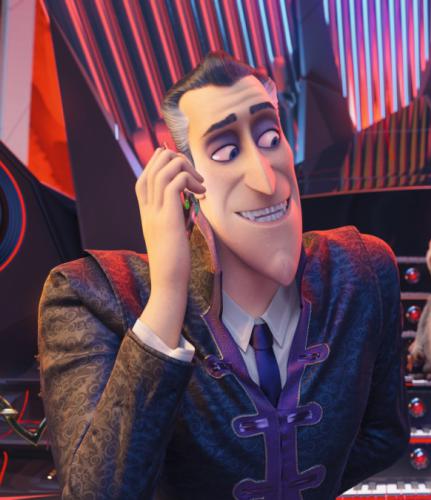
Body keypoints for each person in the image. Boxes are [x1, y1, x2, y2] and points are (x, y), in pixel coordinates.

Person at [37, 51, 409, 499]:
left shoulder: (363, 269)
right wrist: (168, 293)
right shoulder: (88, 295)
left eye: (270, 137)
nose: (265, 181)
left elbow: (384, 436)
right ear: (184, 179)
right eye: (227, 151)